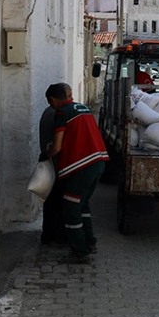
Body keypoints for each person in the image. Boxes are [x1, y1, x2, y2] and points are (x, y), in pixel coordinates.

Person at [47, 83, 109, 264]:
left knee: (71, 209)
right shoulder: (84, 108)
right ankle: (90, 242)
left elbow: (57, 147)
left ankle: (79, 252)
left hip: (82, 167)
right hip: (98, 163)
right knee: (83, 205)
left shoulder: (62, 113)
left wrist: (47, 153)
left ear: (52, 100)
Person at [38, 85, 71, 246]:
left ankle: (48, 235)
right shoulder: (57, 115)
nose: (71, 100)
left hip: (52, 165)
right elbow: (57, 146)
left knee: (51, 202)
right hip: (59, 165)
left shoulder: (47, 112)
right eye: (69, 96)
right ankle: (58, 236)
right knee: (58, 202)